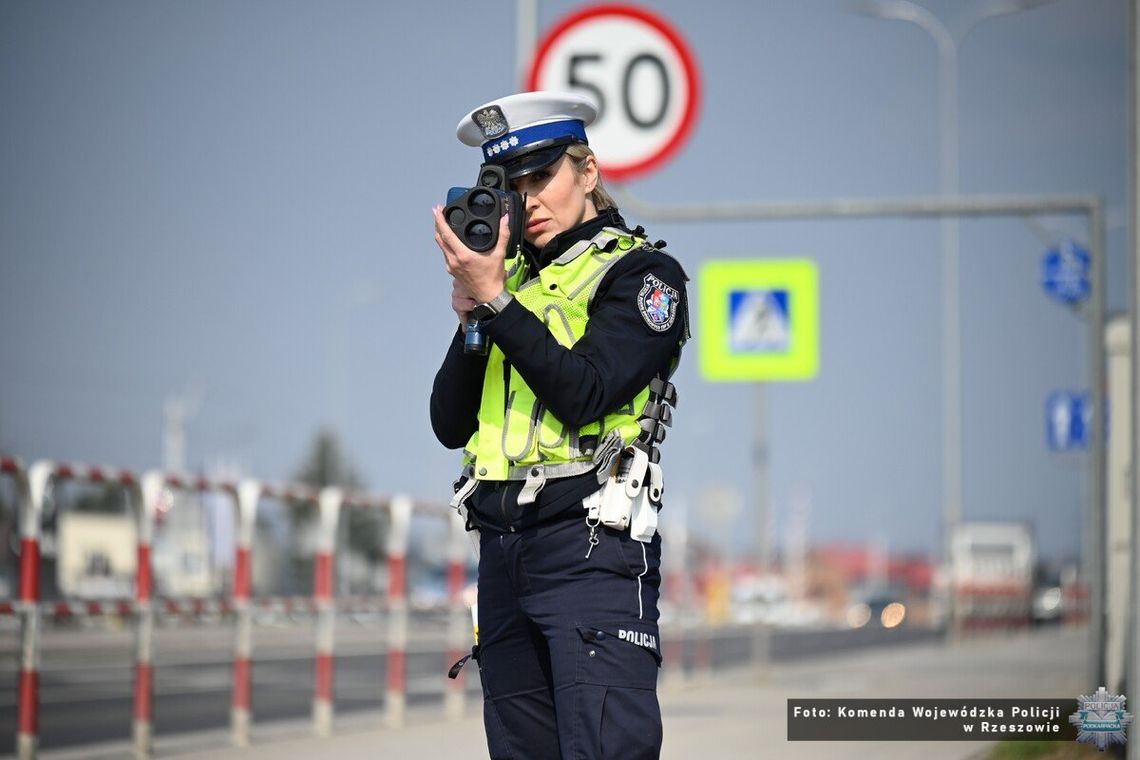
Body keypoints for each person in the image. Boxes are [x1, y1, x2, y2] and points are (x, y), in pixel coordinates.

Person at [430, 91, 688, 760]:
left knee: (604, 748)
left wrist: (496, 301)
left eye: (543, 177)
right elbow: (449, 423)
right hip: (502, 552)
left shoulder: (643, 275)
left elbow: (585, 393)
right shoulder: (506, 283)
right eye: (513, 188)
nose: (529, 200)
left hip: (590, 550)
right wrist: (474, 318)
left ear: (588, 170)